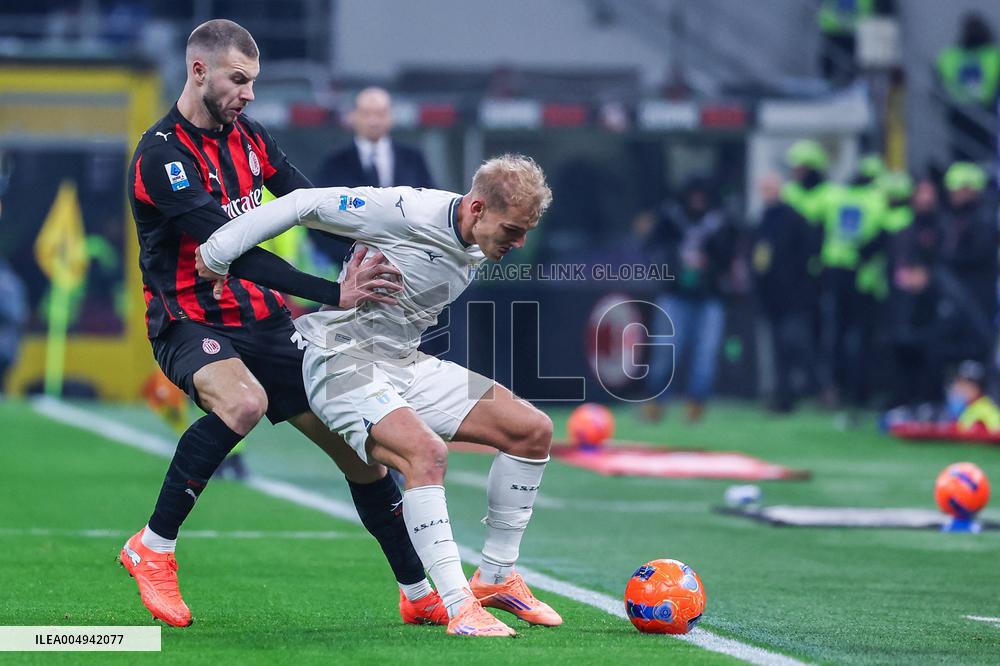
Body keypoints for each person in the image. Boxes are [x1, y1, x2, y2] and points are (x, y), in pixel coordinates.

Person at [120, 19, 446, 629]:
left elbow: (311, 200)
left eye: (253, 82)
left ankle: (417, 590)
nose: (247, 93)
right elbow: (229, 248)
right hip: (189, 320)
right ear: (199, 71)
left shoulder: (252, 138)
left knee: (362, 454)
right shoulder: (162, 156)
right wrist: (334, 294)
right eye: (238, 80)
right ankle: (153, 548)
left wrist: (395, 236)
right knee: (243, 403)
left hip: (265, 322)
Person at [197, 154, 560, 637]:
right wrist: (217, 252)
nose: (519, 243)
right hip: (340, 361)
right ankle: (459, 608)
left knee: (532, 430)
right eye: (513, 230)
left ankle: (495, 579)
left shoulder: (476, 238)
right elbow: (305, 202)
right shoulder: (404, 210)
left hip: (402, 361)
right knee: (426, 454)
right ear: (476, 208)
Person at [638, 176, 736, 423]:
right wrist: (674, 264)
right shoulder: (670, 216)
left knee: (706, 354)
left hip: (710, 295)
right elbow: (652, 249)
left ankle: (696, 405)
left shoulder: (721, 220)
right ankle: (655, 402)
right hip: (675, 294)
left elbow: (730, 255)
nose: (698, 201)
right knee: (667, 350)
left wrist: (710, 264)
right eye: (693, 196)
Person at [312, 87, 435, 261]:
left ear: (391, 116)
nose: (373, 121)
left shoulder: (413, 160)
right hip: (350, 265)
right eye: (366, 114)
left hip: (408, 262)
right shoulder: (335, 164)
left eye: (380, 114)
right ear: (353, 116)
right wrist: (348, 257)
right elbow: (318, 215)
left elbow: (431, 207)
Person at [751, 175, 821, 412]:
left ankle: (815, 388)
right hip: (771, 298)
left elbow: (809, 252)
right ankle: (784, 397)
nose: (767, 193)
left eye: (770, 188)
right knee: (778, 350)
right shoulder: (764, 218)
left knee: (795, 345)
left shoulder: (793, 218)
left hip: (794, 296)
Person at [937, 13, 1000, 162]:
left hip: (960, 113)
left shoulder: (950, 57)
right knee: (981, 154)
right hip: (982, 112)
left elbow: (938, 80)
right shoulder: (993, 56)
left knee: (962, 153)